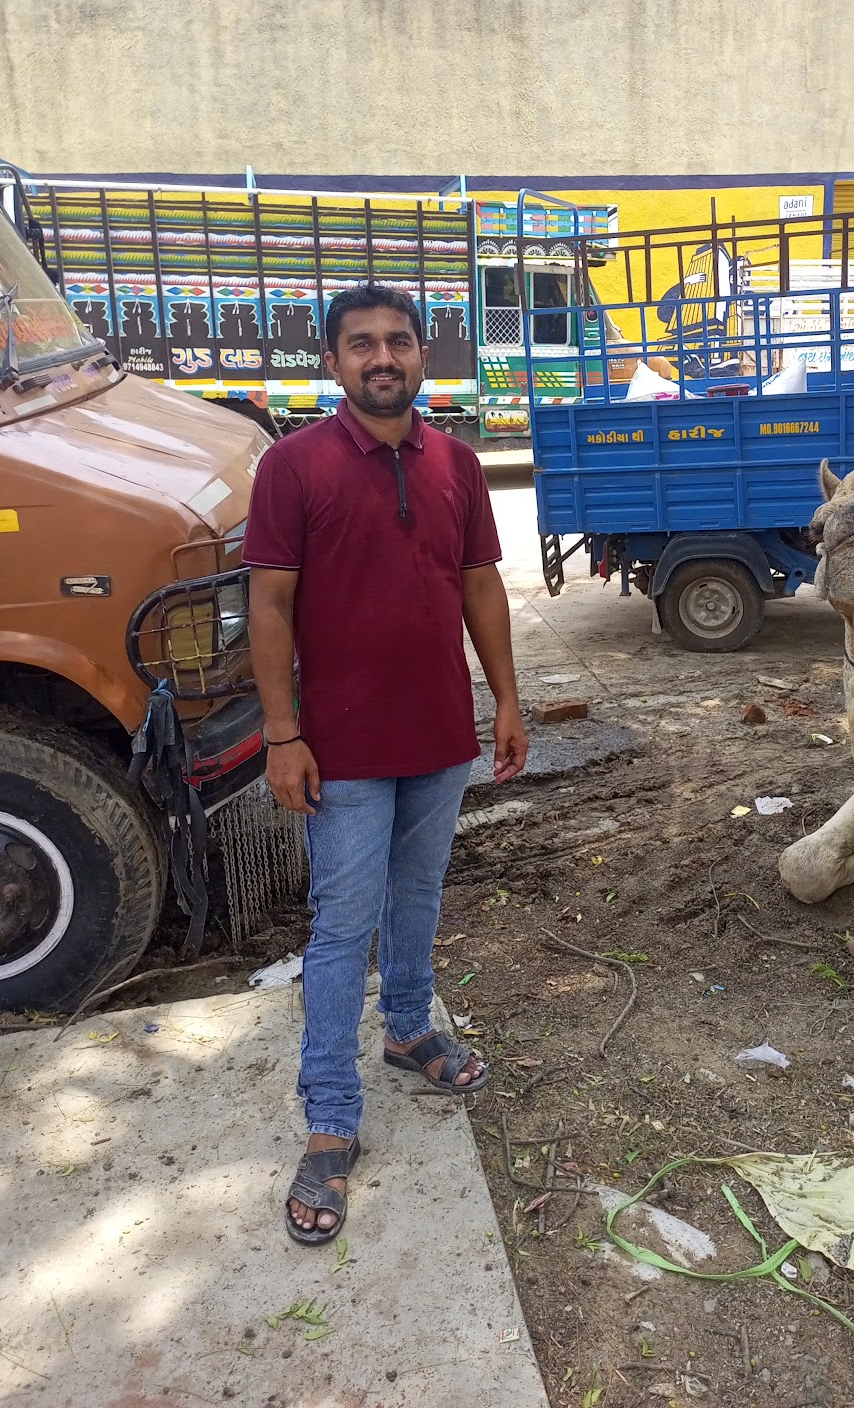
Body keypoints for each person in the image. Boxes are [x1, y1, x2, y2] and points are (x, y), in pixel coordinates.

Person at [243, 280, 529, 1246]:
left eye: (398, 341)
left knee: (419, 897)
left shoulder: (458, 462)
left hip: (439, 737)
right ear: (332, 362)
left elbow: (480, 585)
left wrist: (506, 700)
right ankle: (331, 1117)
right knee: (341, 927)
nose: (382, 358)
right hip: (342, 750)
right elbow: (269, 607)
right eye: (361, 343)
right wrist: (282, 734)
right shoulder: (293, 466)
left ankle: (408, 1029)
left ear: (422, 357)